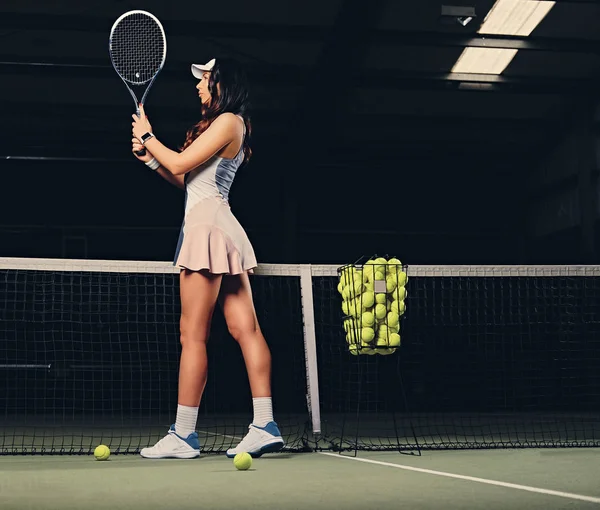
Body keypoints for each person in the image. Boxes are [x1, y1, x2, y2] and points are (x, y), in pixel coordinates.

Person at [130, 57, 284, 459]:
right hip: (218, 226)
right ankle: (264, 424)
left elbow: (179, 162)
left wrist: (149, 138)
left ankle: (183, 435)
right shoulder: (226, 125)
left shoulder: (229, 120)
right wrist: (149, 158)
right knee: (245, 329)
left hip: (206, 231)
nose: (199, 87)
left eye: (205, 80)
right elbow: (186, 180)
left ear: (223, 83)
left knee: (192, 336)